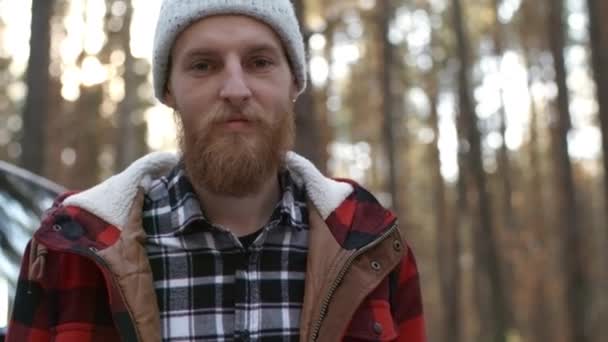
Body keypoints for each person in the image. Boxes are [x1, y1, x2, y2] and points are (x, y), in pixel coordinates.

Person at [6, 0, 426, 341]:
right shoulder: (70, 251)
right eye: (204, 65)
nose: (236, 90)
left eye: (259, 62)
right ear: (169, 90)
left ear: (294, 82)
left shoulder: (371, 246)